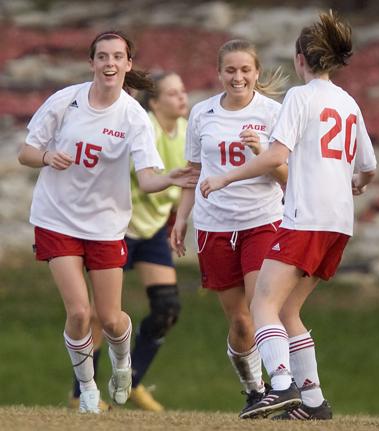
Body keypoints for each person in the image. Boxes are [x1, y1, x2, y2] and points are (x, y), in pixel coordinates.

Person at [200, 10, 377, 420]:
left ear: (301, 59)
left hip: (306, 218)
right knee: (287, 310)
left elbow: (277, 156)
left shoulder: (301, 96)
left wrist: (226, 178)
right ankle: (313, 403)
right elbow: (367, 168)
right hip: (338, 224)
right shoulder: (348, 102)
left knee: (262, 301)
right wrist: (359, 183)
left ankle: (280, 387)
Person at [18, 30, 197, 414]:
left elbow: (148, 178)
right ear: (92, 63)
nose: (110, 63)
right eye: (102, 57)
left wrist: (172, 177)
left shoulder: (134, 116)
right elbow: (27, 152)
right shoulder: (65, 101)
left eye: (118, 57)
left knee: (113, 319)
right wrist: (48, 157)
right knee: (80, 313)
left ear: (128, 65)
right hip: (56, 218)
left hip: (105, 225)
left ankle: (122, 366)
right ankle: (85, 390)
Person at [170, 39, 288, 418]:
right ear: (219, 73)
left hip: (262, 220)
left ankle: (284, 388)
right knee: (239, 322)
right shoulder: (202, 114)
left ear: (257, 72)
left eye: (245, 70)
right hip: (214, 226)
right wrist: (182, 218)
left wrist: (263, 154)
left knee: (261, 305)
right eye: (230, 70)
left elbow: (290, 178)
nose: (238, 77)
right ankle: (255, 388)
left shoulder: (274, 113)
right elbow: (193, 174)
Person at [69, 71, 189, 412]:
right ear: (153, 102)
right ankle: (81, 391)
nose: (182, 98)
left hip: (151, 231)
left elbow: (187, 180)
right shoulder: (140, 125)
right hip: (118, 227)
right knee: (98, 316)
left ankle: (131, 381)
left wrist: (180, 220)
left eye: (183, 91)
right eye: (173, 93)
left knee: (167, 309)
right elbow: (147, 176)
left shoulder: (185, 131)